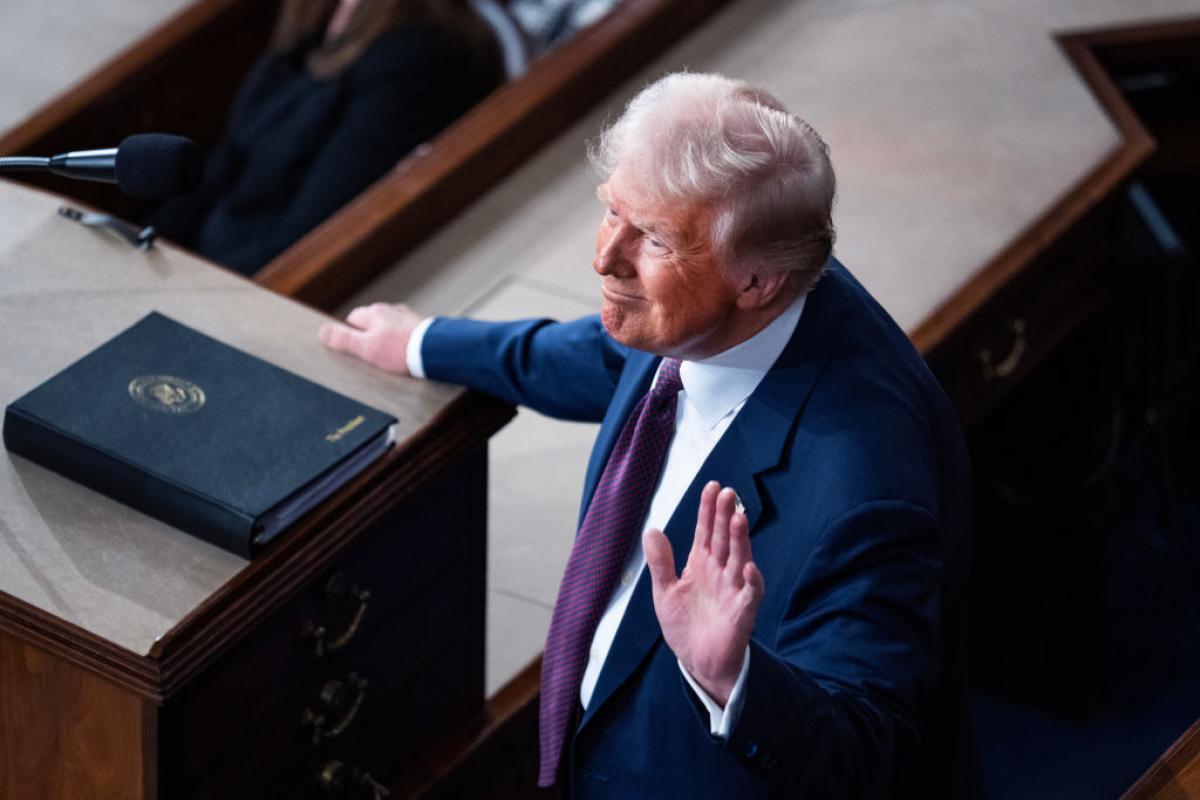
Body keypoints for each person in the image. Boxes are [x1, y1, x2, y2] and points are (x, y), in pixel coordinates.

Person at [319, 72, 974, 798]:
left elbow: (869, 755)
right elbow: (610, 353)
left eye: (654, 239)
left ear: (756, 282)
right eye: (612, 213)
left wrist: (735, 681)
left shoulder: (864, 489)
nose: (604, 257)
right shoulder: (737, 286)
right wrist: (424, 344)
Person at [149, 0, 502, 275]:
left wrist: (192, 286)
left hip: (252, 284)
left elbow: (309, 235)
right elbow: (227, 159)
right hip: (204, 258)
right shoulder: (316, 19)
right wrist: (150, 244)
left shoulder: (425, 52)